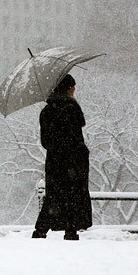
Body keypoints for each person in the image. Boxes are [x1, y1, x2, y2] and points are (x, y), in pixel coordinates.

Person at [32, 73, 92, 240]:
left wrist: (57, 149)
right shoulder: (71, 109)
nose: (74, 90)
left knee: (54, 196)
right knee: (74, 196)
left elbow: (45, 141)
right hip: (74, 161)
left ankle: (40, 231)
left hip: (54, 161)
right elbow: (75, 138)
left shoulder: (47, 111)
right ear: (66, 89)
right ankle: (71, 232)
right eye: (72, 86)